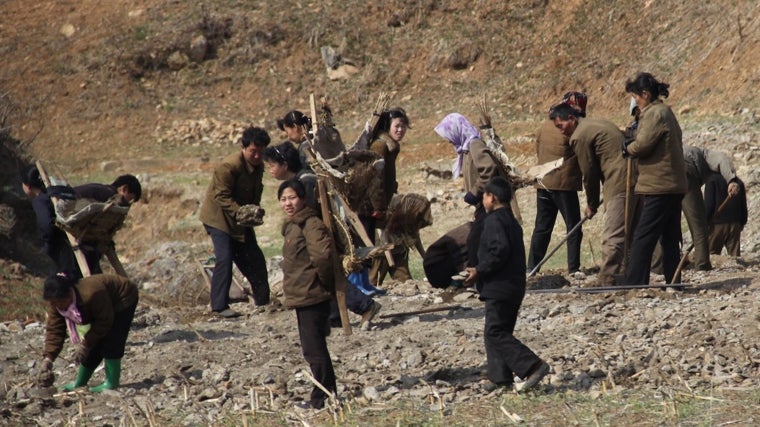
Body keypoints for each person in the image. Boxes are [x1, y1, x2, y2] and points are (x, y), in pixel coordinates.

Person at [263, 143, 381, 331]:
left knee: (329, 275)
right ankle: (333, 316)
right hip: (311, 238)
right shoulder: (299, 180)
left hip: (317, 238)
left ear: (284, 164)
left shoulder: (306, 181)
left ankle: (364, 305)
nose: (269, 170)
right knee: (320, 277)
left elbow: (313, 216)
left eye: (271, 165)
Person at [464, 177, 550, 392]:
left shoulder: (494, 221)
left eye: (484, 196)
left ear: (491, 197)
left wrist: (479, 270)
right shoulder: (510, 220)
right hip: (512, 286)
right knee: (497, 331)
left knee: (495, 332)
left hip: (500, 286)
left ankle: (533, 366)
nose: (483, 200)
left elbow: (498, 251)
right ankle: (500, 378)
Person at [550, 102, 635, 286]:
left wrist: (592, 204)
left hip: (619, 180)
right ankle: (630, 274)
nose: (561, 131)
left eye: (561, 126)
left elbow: (589, 173)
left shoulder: (579, 136)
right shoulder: (597, 123)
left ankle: (607, 278)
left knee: (613, 233)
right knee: (631, 229)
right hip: (635, 176)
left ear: (571, 119)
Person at [622, 72, 688, 285]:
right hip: (673, 184)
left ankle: (635, 283)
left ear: (645, 94)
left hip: (659, 185)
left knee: (643, 237)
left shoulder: (653, 114)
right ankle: (674, 281)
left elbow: (642, 145)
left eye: (636, 97)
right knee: (669, 237)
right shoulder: (665, 111)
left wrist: (627, 148)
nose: (636, 102)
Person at [199, 126, 271, 318]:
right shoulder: (229, 166)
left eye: (261, 152)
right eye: (253, 151)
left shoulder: (259, 166)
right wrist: (241, 212)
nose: (257, 156)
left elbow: (256, 190)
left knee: (255, 259)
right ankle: (219, 306)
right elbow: (221, 196)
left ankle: (264, 302)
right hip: (219, 219)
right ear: (244, 147)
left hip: (241, 221)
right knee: (225, 257)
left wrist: (253, 211)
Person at [278, 179, 337, 410]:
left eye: (292, 197)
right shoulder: (293, 225)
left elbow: (322, 256)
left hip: (312, 294)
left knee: (314, 350)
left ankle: (320, 398)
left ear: (302, 198)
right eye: (283, 199)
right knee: (314, 347)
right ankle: (329, 392)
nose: (288, 203)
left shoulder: (310, 223)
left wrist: (322, 283)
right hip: (303, 294)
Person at [40, 272, 138, 392]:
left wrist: (85, 344)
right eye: (55, 303)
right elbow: (55, 329)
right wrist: (48, 358)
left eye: (60, 302)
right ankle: (80, 382)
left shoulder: (91, 294)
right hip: (102, 305)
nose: (59, 306)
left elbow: (104, 322)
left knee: (112, 339)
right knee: (94, 345)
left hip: (123, 297)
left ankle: (112, 382)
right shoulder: (56, 304)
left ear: (69, 294)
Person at [435, 112, 503, 270]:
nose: (448, 140)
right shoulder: (466, 148)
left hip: (489, 202)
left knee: (475, 240)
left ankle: (478, 277)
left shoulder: (474, 144)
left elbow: (488, 169)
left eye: (448, 135)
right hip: (483, 204)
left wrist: (475, 192)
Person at [527, 92, 585, 275]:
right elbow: (582, 152)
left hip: (543, 181)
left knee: (542, 227)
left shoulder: (546, 124)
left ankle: (532, 267)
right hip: (563, 184)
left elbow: (538, 149)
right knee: (573, 226)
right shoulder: (572, 127)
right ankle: (573, 268)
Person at [364, 107, 411, 287]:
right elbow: (373, 178)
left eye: (404, 126)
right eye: (397, 126)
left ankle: (405, 283)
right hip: (376, 210)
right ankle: (372, 286)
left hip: (387, 206)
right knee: (382, 249)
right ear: (387, 127)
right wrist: (377, 207)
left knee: (397, 244)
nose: (401, 130)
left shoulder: (391, 146)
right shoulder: (380, 146)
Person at [21, 165, 79, 276]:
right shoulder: (53, 194)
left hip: (61, 250)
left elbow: (47, 226)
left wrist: (48, 244)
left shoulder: (40, 201)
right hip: (73, 243)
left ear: (27, 186)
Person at [705, 174, 747, 256]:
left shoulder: (712, 180)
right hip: (735, 223)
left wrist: (705, 221)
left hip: (716, 225)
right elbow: (743, 205)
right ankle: (736, 268)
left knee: (711, 255)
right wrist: (742, 222)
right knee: (735, 257)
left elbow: (709, 205)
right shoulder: (738, 182)